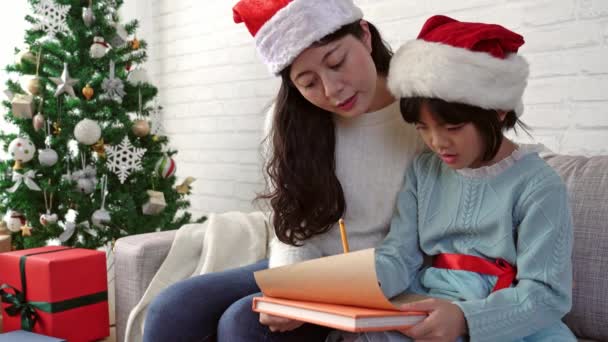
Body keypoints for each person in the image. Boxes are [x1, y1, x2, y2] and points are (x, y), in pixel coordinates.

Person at [142, 1, 425, 341]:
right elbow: (293, 230)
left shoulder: (425, 117)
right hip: (308, 266)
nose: (332, 90)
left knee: (240, 323)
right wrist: (290, 286)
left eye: (337, 62)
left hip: (385, 274)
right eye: (308, 82)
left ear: (364, 35)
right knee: (172, 307)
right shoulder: (292, 124)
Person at [337, 15, 575, 342]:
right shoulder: (424, 170)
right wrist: (356, 284)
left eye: (452, 128)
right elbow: (399, 254)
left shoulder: (538, 185)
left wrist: (465, 319)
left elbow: (546, 293)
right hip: (429, 301)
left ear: (498, 110)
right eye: (423, 128)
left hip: (504, 314)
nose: (437, 142)